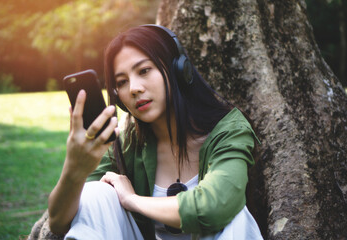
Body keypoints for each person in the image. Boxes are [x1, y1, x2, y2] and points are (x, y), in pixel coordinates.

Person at [48, 24, 263, 240]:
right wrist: (74, 169)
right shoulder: (126, 143)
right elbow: (58, 222)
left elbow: (216, 206)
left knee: (236, 216)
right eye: (122, 82)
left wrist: (132, 200)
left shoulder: (229, 130)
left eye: (144, 71)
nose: (134, 88)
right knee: (95, 193)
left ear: (178, 70)